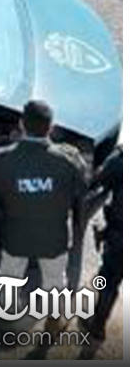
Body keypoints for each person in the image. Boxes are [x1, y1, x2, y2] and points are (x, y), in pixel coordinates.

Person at [0, 100, 89, 335]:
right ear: (51, 126)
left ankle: (6, 320)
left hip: (15, 235)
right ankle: (53, 322)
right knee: (54, 280)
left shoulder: (0, 158)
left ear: (22, 124)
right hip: (54, 237)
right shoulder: (69, 159)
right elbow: (82, 192)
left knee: (9, 276)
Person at [80, 145, 122, 354]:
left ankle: (97, 327)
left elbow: (97, 181)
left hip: (121, 233)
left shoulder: (121, 159)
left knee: (109, 279)